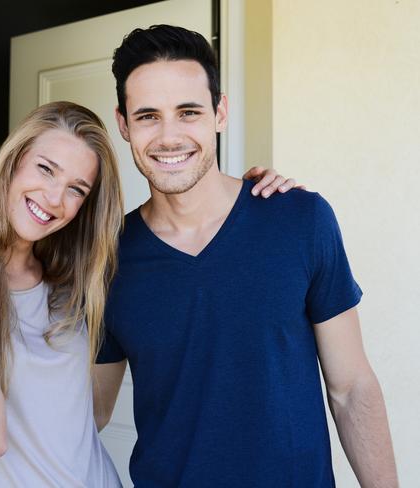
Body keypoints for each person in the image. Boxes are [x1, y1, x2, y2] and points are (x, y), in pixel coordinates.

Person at [0, 100, 294, 488]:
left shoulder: (75, 287)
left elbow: (87, 412)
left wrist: (244, 202)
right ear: (13, 163)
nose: (55, 198)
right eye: (45, 169)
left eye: (77, 189)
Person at [93, 25, 398, 487]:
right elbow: (88, 412)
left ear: (220, 113)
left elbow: (351, 388)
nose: (169, 136)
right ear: (123, 125)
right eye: (149, 116)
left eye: (189, 112)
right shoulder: (107, 260)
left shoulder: (298, 220)